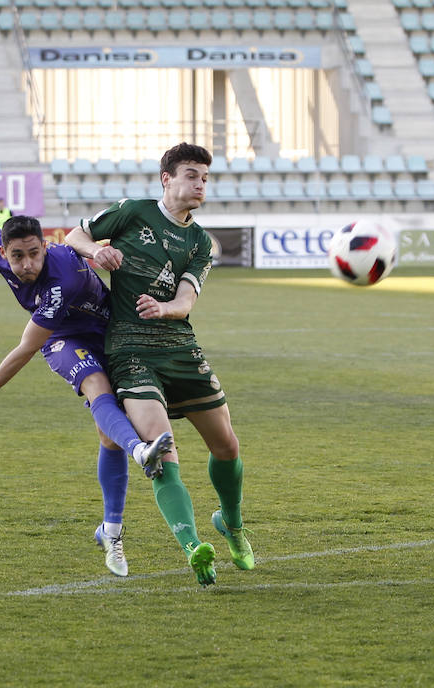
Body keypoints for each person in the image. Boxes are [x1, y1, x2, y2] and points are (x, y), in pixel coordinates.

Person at [0, 176, 174, 578]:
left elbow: (23, 347)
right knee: (96, 390)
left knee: (107, 433)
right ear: (3, 252)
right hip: (61, 339)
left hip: (108, 334)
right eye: (18, 256)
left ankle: (110, 530)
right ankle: (141, 452)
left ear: (45, 246)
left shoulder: (62, 280)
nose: (26, 265)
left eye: (35, 254)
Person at [64, 142, 255, 588]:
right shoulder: (133, 212)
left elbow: (186, 299)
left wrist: (166, 308)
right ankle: (194, 548)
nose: (200, 184)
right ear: (167, 178)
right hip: (130, 350)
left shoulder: (201, 242)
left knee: (226, 446)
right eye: (192, 175)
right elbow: (73, 235)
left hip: (178, 345)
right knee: (161, 451)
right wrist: (96, 251)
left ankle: (233, 525)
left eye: (205, 178)